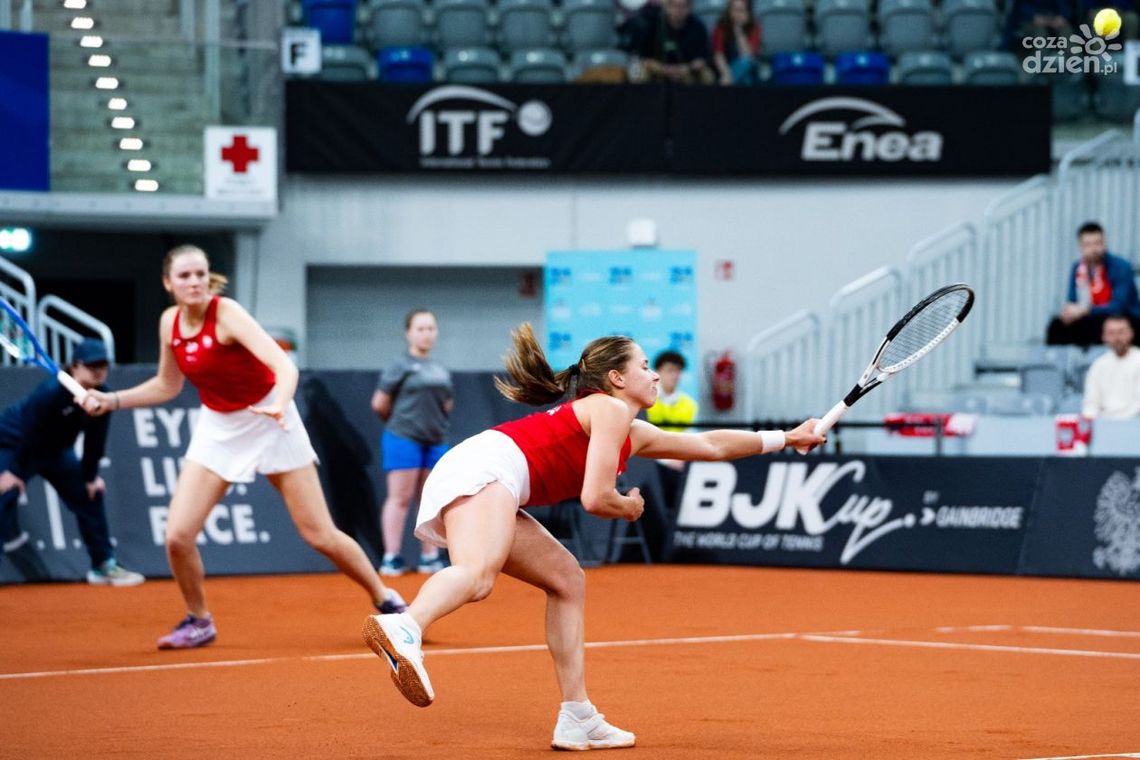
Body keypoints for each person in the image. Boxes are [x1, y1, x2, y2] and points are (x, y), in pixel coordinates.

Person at [361, 323, 824, 750]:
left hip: (484, 472)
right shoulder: (608, 409)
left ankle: (577, 715)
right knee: (478, 576)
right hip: (488, 469)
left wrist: (785, 438)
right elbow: (596, 498)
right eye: (644, 366)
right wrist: (628, 505)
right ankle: (406, 626)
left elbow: (708, 445)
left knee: (567, 579)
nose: (655, 376)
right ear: (617, 379)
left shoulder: (630, 429)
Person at [83, 244, 405, 650]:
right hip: (218, 427)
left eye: (200, 273)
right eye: (184, 276)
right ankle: (199, 620)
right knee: (178, 536)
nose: (195, 281)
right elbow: (168, 385)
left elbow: (284, 366)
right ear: (169, 283)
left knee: (320, 534)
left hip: (272, 419)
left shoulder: (228, 314)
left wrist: (278, 402)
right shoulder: (170, 323)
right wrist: (111, 400)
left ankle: (386, 598)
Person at [0, 338, 144, 586]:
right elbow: (30, 433)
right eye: (92, 366)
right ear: (75, 367)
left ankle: (103, 565)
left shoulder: (104, 396)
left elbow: (95, 442)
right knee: (4, 494)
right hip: (14, 444)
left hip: (55, 452)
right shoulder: (50, 394)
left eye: (103, 365)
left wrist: (89, 477)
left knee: (90, 494)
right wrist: (13, 472)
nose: (99, 371)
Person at [371, 309, 454, 576]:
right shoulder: (399, 366)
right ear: (409, 333)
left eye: (430, 328)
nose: (426, 333)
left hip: (435, 440)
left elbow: (447, 404)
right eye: (420, 328)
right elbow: (379, 404)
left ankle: (429, 557)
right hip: (402, 439)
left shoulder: (440, 369)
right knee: (400, 498)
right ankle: (391, 557)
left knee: (430, 500)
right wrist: (402, 426)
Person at [1046, 222, 1140, 348]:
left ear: (1104, 243)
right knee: (1056, 326)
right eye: (1088, 245)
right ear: (1081, 246)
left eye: (1098, 243)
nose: (1094, 249)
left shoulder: (1120, 266)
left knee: (1097, 325)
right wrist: (1069, 313)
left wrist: (1085, 310)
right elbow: (1072, 301)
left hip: (1122, 317)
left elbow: (1118, 306)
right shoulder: (1078, 268)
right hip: (1091, 317)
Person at [645, 349, 698, 517]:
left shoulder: (689, 404)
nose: (675, 375)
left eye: (678, 371)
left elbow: (690, 438)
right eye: (669, 370)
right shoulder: (645, 400)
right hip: (651, 461)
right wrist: (667, 461)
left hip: (678, 462)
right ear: (657, 372)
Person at [619, 0, 715, 84]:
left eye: (683, 6)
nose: (678, 10)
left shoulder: (698, 27)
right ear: (667, 7)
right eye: (675, 6)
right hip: (659, 69)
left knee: (707, 76)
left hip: (687, 71)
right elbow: (644, 59)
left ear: (689, 8)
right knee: (637, 73)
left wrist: (686, 68)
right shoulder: (653, 24)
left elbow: (702, 60)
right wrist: (665, 69)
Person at [1081, 315, 1140, 419]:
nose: (1117, 338)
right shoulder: (1098, 365)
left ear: (1131, 333)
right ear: (1104, 337)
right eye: (1111, 333)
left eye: (1121, 332)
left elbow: (1138, 405)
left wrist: (1117, 422)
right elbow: (1091, 402)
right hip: (1103, 424)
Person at [712, 0, 761, 85]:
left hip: (749, 67)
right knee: (746, 79)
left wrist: (738, 29)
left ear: (748, 12)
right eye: (734, 10)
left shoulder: (754, 27)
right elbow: (718, 55)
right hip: (727, 67)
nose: (737, 14)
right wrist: (727, 75)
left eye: (741, 10)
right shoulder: (721, 26)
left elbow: (748, 55)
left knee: (747, 67)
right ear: (729, 10)